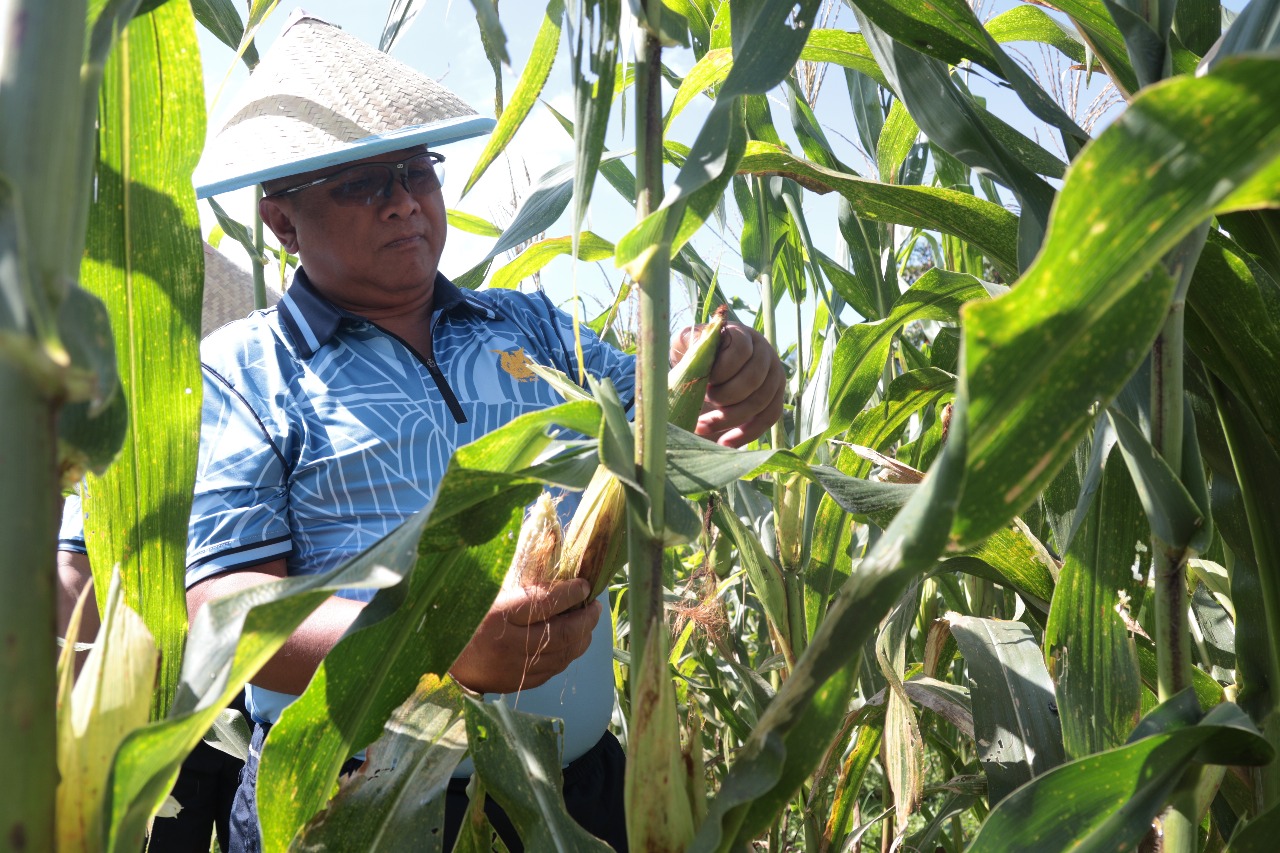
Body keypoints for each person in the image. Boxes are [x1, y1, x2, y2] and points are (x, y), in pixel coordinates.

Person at [189, 11, 783, 852]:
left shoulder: (532, 328)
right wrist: (435, 643)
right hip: (360, 808)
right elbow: (225, 616)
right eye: (360, 185)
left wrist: (731, 375)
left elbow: (680, 433)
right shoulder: (245, 369)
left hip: (572, 798)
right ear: (283, 223)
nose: (401, 203)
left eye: (413, 172)